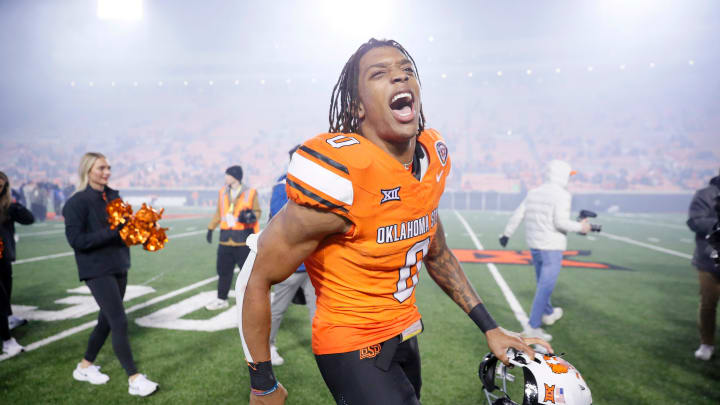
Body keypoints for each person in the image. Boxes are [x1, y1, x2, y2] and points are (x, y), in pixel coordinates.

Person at [235, 38, 551, 405]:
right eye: (380, 74)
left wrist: (490, 327)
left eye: (406, 70)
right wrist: (263, 383)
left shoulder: (430, 160)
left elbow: (437, 254)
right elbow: (256, 276)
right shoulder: (344, 178)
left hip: (404, 334)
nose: (400, 78)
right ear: (357, 106)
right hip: (351, 344)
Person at [63, 152, 158, 397]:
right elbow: (76, 241)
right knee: (119, 320)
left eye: (108, 168)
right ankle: (134, 378)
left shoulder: (114, 195)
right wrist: (113, 232)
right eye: (101, 168)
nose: (106, 172)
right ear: (87, 170)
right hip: (96, 268)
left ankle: (84, 366)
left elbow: (124, 229)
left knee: (105, 320)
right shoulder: (76, 202)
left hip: (118, 264)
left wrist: (143, 231)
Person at [499, 159, 591, 341]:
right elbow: (561, 222)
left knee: (542, 281)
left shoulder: (534, 192)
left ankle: (548, 313)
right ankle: (532, 327)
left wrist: (506, 234)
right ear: (562, 175)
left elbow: (519, 214)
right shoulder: (562, 195)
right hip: (552, 247)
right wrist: (582, 227)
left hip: (535, 245)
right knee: (545, 286)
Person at [267, 145, 317, 366]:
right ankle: (268, 346)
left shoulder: (315, 182)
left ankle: (323, 349)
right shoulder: (283, 184)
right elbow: (283, 221)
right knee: (277, 309)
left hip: (313, 263)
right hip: (292, 263)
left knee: (319, 311)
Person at [205, 165, 261, 310]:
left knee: (248, 274)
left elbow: (257, 212)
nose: (225, 178)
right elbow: (219, 212)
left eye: (227, 175)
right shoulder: (223, 192)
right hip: (225, 239)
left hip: (243, 240)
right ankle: (221, 299)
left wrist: (250, 217)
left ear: (235, 176)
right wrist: (211, 228)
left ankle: (251, 302)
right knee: (223, 272)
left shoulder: (251, 192)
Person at [686, 169, 720, 361]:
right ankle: (706, 343)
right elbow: (695, 221)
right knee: (708, 303)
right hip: (710, 258)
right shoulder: (706, 194)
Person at [0, 171, 34, 357]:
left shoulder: (7, 207)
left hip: (4, 256)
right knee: (0, 298)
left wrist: (16, 208)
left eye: (2, 186)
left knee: (6, 290)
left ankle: (9, 318)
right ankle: (7, 340)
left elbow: (29, 219)